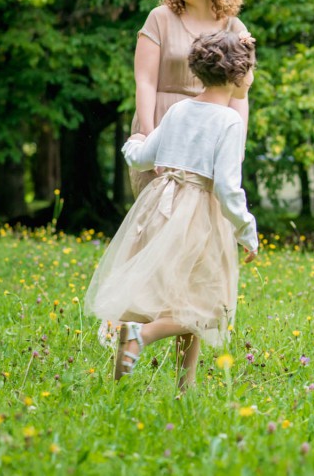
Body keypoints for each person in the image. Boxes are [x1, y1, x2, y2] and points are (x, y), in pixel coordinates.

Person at [85, 30, 259, 391]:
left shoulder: (180, 109)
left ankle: (177, 383)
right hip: (199, 215)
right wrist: (247, 231)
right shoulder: (229, 121)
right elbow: (227, 187)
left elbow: (147, 155)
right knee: (208, 306)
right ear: (238, 75)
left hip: (159, 207)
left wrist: (132, 145)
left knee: (181, 295)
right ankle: (141, 335)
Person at [130, 0, 249, 196]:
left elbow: (240, 94)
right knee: (155, 216)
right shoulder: (159, 18)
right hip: (161, 121)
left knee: (201, 217)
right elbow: (145, 82)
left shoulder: (234, 27)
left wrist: (237, 147)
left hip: (208, 130)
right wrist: (150, 137)